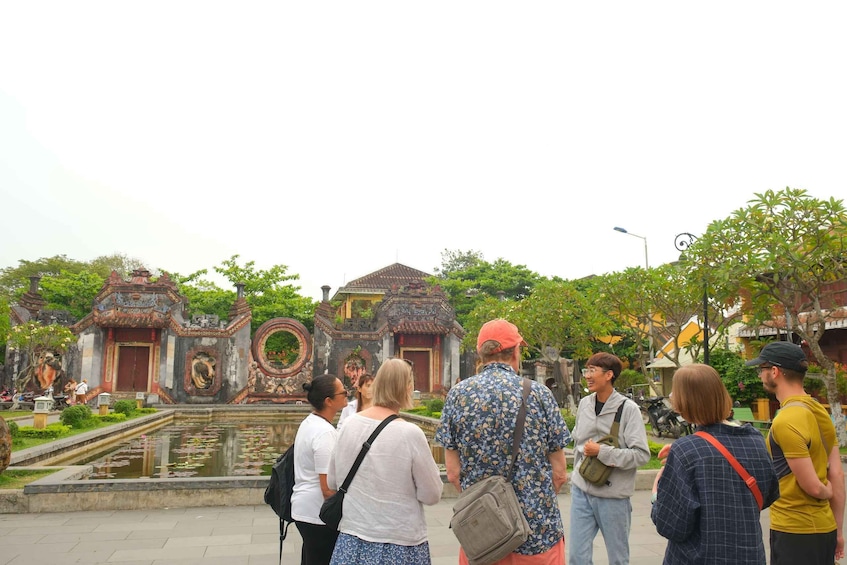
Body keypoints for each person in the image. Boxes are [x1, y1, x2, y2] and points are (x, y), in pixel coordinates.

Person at [436, 318, 570, 564]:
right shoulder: (540, 394)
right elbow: (560, 473)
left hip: (483, 537)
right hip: (537, 533)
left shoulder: (458, 395)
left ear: (481, 354)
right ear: (515, 351)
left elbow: (453, 473)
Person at [651, 364, 780, 564]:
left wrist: (657, 492)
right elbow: (768, 494)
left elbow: (672, 525)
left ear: (684, 402)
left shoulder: (686, 450)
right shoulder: (755, 439)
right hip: (749, 555)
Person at [328, 358, 442, 564]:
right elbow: (432, 494)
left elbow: (332, 481)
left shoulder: (348, 424)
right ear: (407, 388)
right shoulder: (410, 433)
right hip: (399, 543)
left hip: (352, 539)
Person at [746, 341, 845, 564]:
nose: (760, 376)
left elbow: (812, 485)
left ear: (774, 372)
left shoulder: (786, 420)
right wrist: (838, 531)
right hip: (824, 528)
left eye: (761, 369)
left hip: (795, 531)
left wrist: (826, 492)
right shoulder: (819, 410)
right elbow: (837, 475)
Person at [569, 352, 650, 565]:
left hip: (613, 496)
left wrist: (602, 452)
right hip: (581, 490)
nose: (587, 375)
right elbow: (578, 442)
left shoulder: (628, 409)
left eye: (592, 370)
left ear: (609, 375)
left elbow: (641, 455)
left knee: (618, 559)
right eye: (586, 370)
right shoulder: (585, 404)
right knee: (577, 557)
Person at [291, 375, 349, 565]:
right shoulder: (324, 433)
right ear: (329, 401)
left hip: (305, 509)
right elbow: (326, 489)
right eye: (343, 392)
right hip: (317, 515)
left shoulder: (310, 423)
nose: (347, 394)